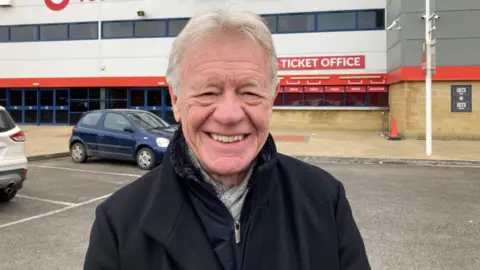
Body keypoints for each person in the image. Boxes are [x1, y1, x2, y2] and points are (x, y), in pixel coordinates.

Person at [83, 8, 371, 270]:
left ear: (270, 99)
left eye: (249, 92)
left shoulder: (325, 200)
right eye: (209, 92)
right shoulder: (119, 224)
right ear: (176, 99)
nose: (230, 114)